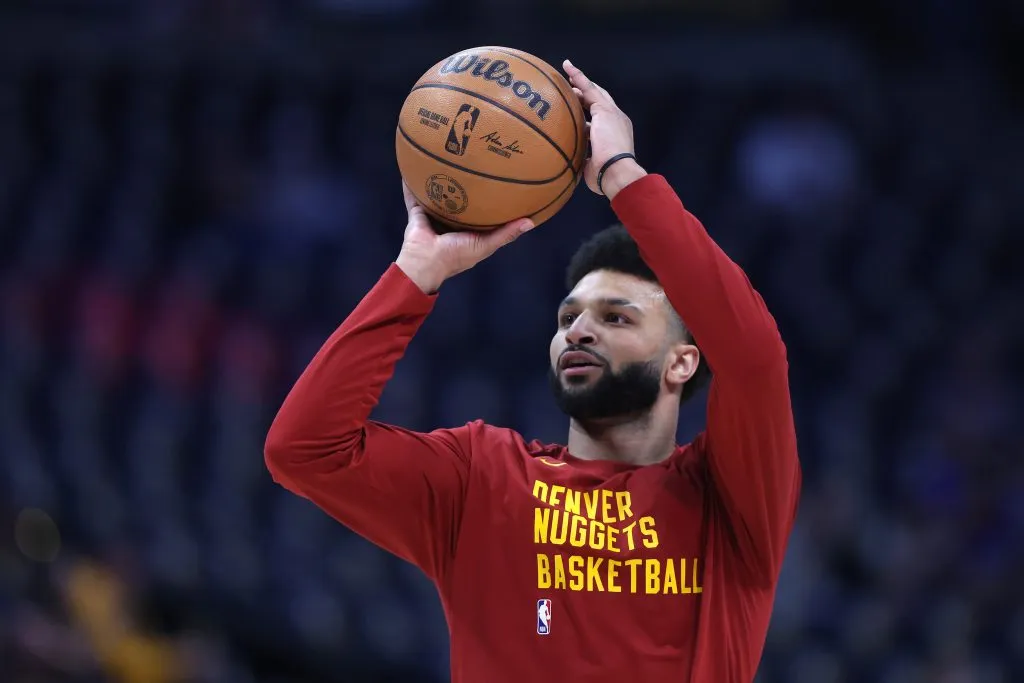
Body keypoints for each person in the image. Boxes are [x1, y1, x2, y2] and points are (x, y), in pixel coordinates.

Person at [265, 60, 801, 683]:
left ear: (683, 360)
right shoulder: (482, 478)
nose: (579, 329)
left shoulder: (729, 501)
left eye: (617, 318)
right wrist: (416, 273)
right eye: (569, 315)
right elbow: (303, 452)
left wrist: (622, 175)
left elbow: (755, 358)